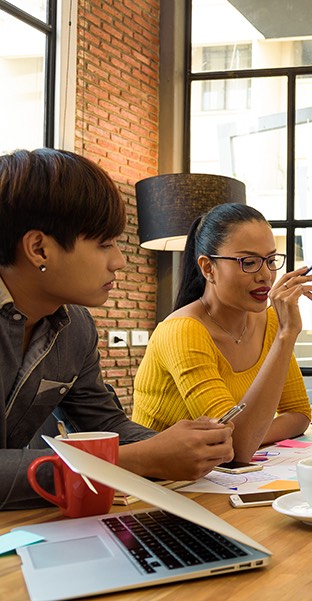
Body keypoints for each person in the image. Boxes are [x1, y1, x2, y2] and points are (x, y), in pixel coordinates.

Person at [0, 148, 234, 510]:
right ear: (39, 249)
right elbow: (129, 454)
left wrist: (181, 446)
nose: (119, 262)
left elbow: (106, 423)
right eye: (105, 244)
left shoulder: (75, 326)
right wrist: (137, 460)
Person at [132, 203, 312, 462]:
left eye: (271, 260)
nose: (265, 275)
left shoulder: (270, 321)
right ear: (208, 268)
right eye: (249, 262)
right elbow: (237, 448)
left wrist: (247, 434)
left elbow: (299, 414)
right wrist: (287, 336)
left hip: (215, 476)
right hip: (162, 484)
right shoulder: (183, 331)